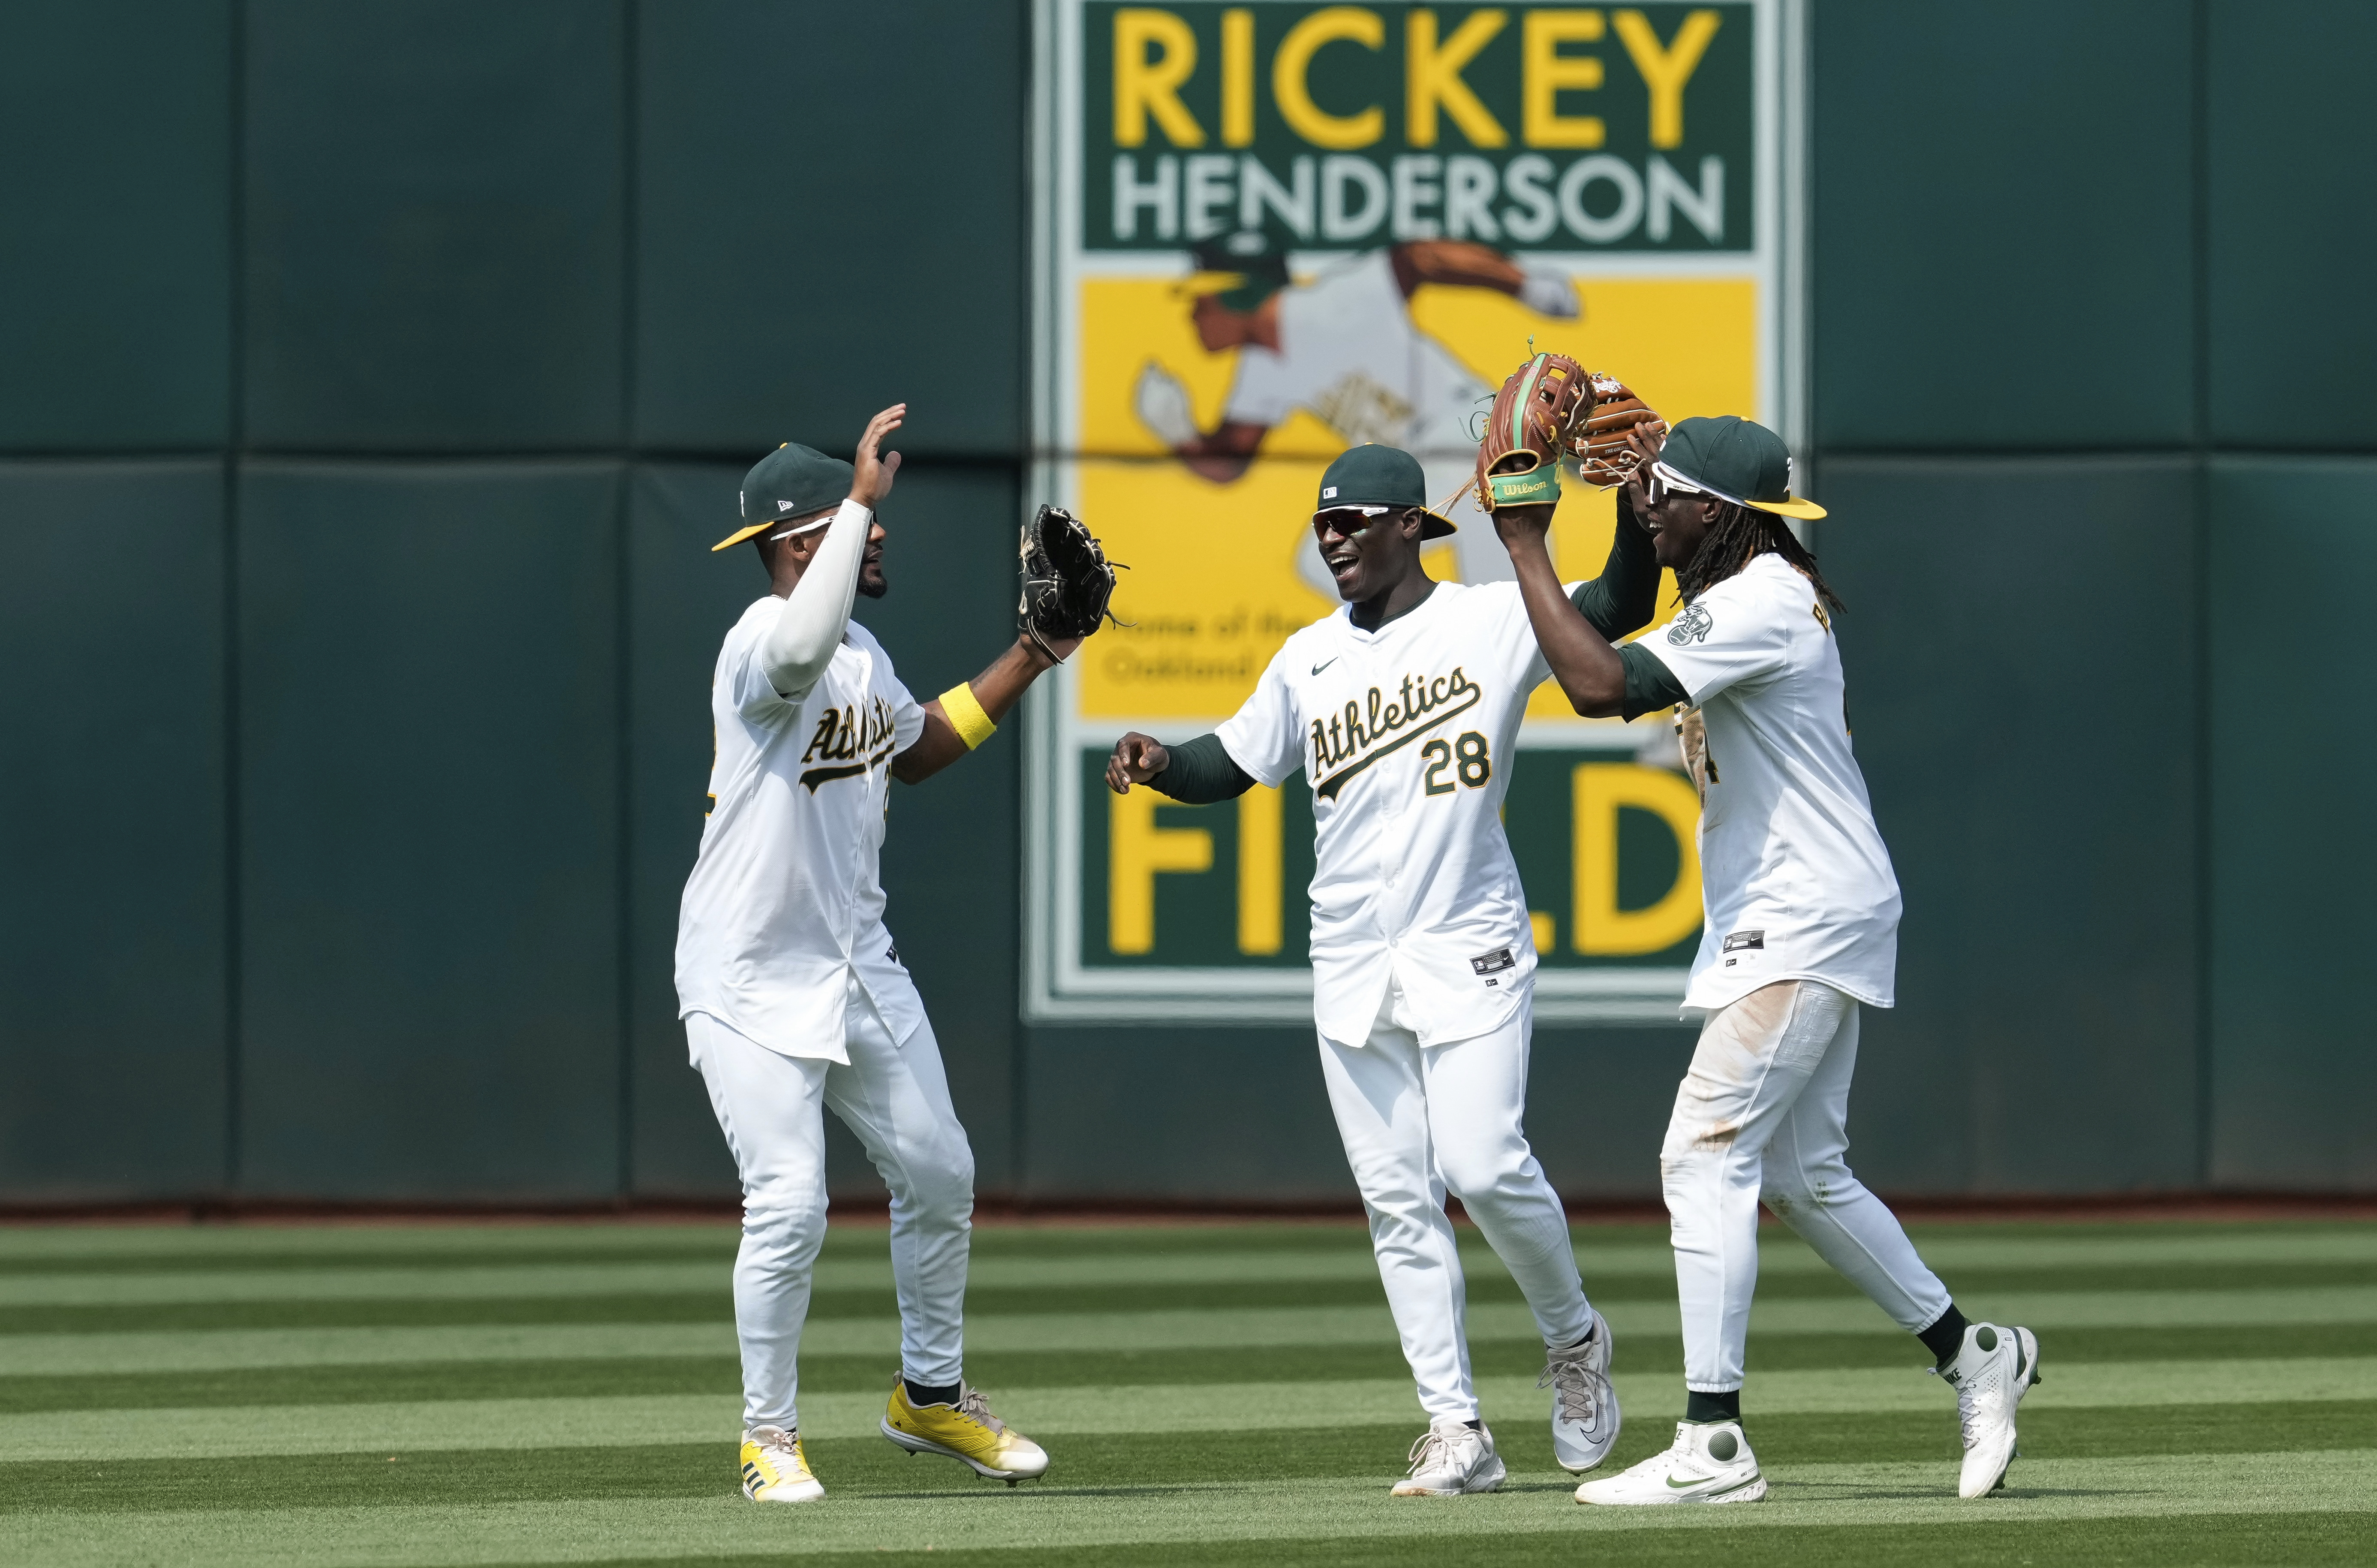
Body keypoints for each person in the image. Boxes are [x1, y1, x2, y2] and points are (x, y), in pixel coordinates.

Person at [1483, 414, 2040, 1505]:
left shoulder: (1761, 604)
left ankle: (1714, 1443)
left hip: (1803, 914)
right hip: (1804, 906)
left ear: (1722, 514)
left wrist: (1522, 542)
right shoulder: (1747, 581)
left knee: (1702, 1154)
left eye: (1670, 496)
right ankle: (1974, 1353)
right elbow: (1631, 609)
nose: (1653, 505)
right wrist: (1631, 501)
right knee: (1800, 1172)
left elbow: (1598, 684)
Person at [1105, 440, 1661, 1496]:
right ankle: (1457, 1428)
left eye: (1355, 520)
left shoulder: (1491, 620)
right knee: (1399, 1202)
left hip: (1471, 941)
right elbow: (1235, 759)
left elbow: (1622, 604)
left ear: (1414, 524)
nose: (1335, 538)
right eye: (1324, 525)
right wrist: (1161, 762)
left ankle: (1574, 1336)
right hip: (1353, 958)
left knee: (1486, 1164)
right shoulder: (1307, 656)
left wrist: (1633, 507)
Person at [678, 404, 1088, 1503]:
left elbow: (915, 749)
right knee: (790, 1201)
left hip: (856, 962)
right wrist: (857, 501)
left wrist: (1035, 654)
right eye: (862, 525)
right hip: (747, 975)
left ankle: (931, 1394)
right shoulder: (762, 644)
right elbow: (799, 644)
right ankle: (768, 1436)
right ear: (807, 541)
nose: (885, 537)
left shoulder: (861, 650)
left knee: (942, 1171)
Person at [1133, 240, 1582, 591]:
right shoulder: (1261, 369)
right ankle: (1431, 639)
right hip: (1419, 464)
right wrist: (1180, 433)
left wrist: (1521, 282)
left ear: (1238, 294)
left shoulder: (1333, 302)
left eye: (1202, 297)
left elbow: (1421, 257)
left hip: (1467, 432)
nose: (1194, 313)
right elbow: (1231, 463)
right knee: (1321, 560)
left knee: (1517, 615)